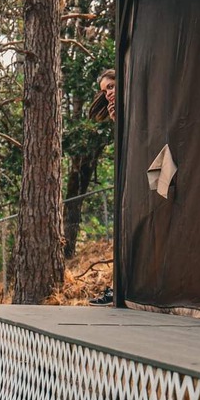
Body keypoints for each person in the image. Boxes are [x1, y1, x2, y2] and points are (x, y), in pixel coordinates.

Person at [87, 68, 117, 306]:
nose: (108, 94)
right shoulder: (115, 110)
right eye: (104, 91)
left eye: (111, 87)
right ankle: (116, 288)